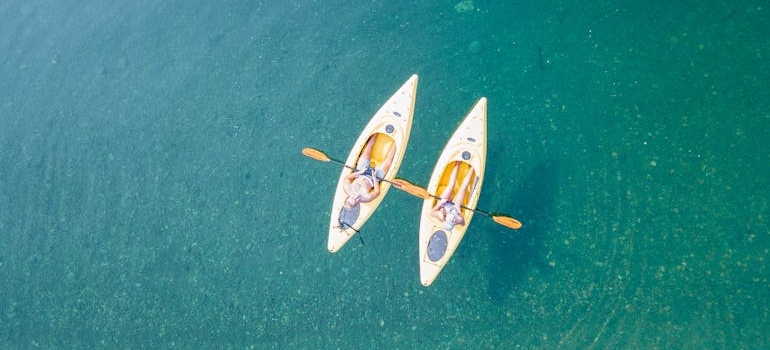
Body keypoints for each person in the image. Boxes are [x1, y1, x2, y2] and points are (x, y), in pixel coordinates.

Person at [343, 134, 396, 210]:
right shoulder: (366, 198)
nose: (355, 197)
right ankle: (395, 144)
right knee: (388, 162)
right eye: (356, 200)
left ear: (348, 196)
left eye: (352, 197)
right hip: (372, 178)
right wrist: (374, 177)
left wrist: (360, 172)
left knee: (368, 148)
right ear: (357, 203)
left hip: (360, 172)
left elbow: (347, 177)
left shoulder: (347, 188)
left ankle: (376, 133)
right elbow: (377, 192)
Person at [431, 161, 475, 231]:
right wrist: (459, 212)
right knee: (463, 187)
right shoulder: (458, 220)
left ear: (445, 220)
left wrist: (440, 203)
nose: (453, 220)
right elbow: (463, 223)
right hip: (454, 207)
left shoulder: (441, 216)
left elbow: (431, 212)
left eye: (450, 221)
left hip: (444, 204)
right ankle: (473, 167)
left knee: (451, 185)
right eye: (453, 223)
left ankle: (457, 163)